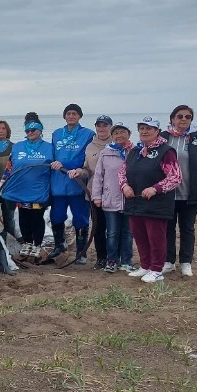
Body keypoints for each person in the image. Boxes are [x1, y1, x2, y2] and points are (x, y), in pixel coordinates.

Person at [121, 117, 182, 283]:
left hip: (157, 205)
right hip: (134, 202)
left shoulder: (166, 151)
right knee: (140, 236)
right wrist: (125, 186)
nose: (144, 131)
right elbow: (122, 173)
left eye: (149, 128)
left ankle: (157, 269)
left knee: (156, 238)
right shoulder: (135, 151)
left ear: (157, 131)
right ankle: (145, 265)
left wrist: (156, 188)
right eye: (141, 128)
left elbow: (175, 177)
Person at [162, 105, 197, 277]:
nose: (183, 119)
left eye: (188, 117)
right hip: (167, 193)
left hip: (189, 192)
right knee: (167, 228)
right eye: (180, 116)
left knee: (187, 228)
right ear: (172, 119)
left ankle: (186, 262)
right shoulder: (163, 137)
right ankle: (169, 261)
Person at [0, 116, 54, 261]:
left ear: (40, 131)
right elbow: (9, 168)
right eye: (28, 130)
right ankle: (27, 243)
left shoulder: (49, 147)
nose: (30, 132)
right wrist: (1, 186)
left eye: (33, 129)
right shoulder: (17, 147)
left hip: (38, 190)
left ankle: (37, 245)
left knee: (36, 218)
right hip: (19, 190)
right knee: (23, 216)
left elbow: (55, 168)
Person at [49, 104, 96, 264]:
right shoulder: (56, 134)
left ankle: (81, 252)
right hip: (58, 184)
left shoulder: (88, 134)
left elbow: (85, 158)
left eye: (74, 113)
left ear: (80, 116)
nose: (71, 116)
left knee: (80, 219)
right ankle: (59, 245)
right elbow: (52, 155)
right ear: (64, 116)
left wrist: (64, 163)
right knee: (56, 216)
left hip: (77, 183)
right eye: (68, 113)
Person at [69, 115, 114, 269]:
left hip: (114, 193)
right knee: (98, 228)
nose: (101, 128)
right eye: (99, 125)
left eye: (105, 125)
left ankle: (115, 258)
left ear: (111, 128)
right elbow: (87, 169)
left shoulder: (117, 144)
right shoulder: (90, 146)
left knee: (114, 228)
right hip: (94, 193)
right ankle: (101, 258)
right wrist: (78, 172)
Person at [91, 122, 134, 273]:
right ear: (112, 136)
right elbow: (98, 176)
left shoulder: (135, 151)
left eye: (123, 132)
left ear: (129, 134)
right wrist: (97, 196)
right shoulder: (106, 152)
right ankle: (111, 260)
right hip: (110, 199)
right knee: (112, 232)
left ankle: (127, 261)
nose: (119, 135)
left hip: (130, 200)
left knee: (128, 233)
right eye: (116, 133)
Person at [0, 119, 17, 242]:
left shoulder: (14, 147)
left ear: (8, 131)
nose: (1, 131)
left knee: (8, 216)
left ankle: (10, 239)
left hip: (9, 187)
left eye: (3, 128)